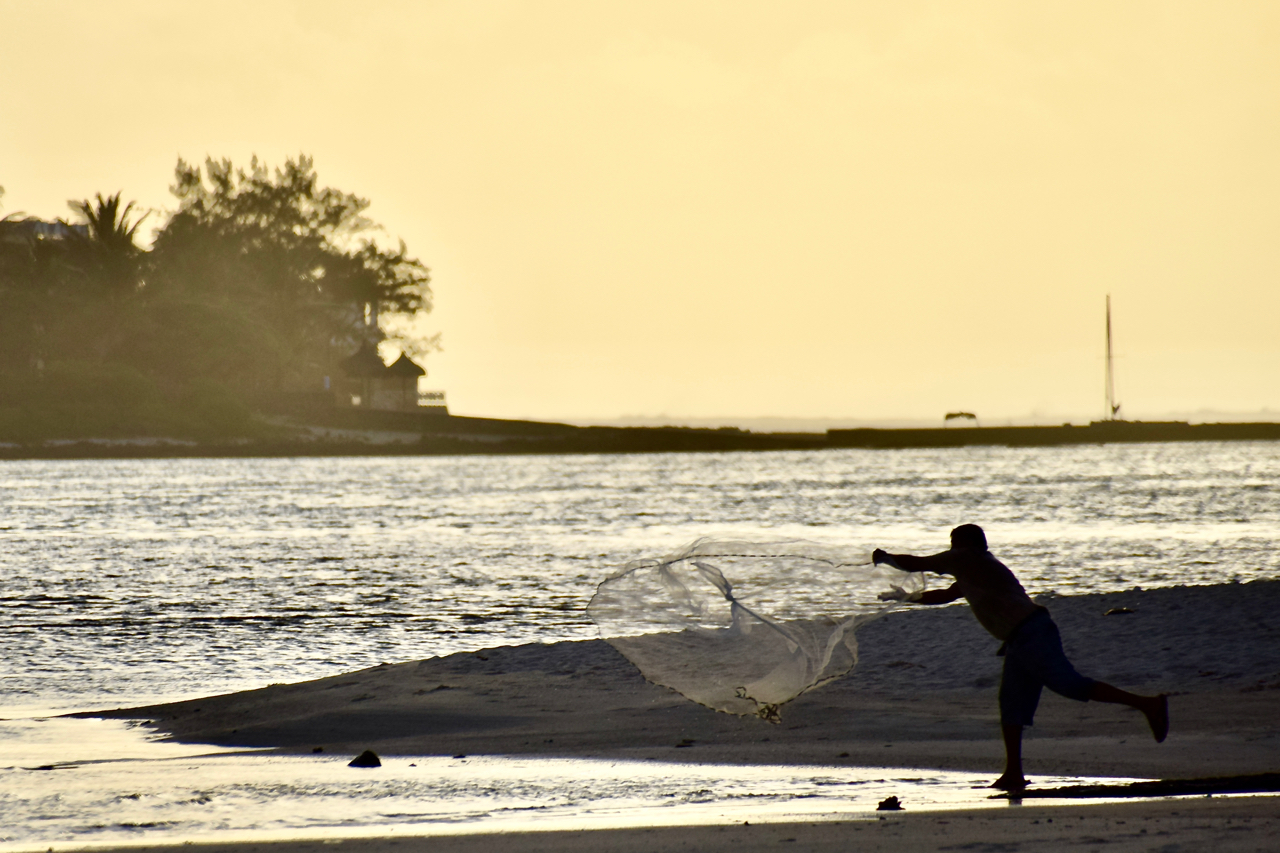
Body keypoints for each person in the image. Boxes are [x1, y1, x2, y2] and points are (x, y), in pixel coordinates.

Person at [872, 523, 1168, 790]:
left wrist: (885, 557)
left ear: (966, 544)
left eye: (953, 541)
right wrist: (906, 597)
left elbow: (918, 563)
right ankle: (1013, 772)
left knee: (1069, 684)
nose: (950, 547)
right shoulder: (974, 568)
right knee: (1011, 706)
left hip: (1032, 634)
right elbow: (945, 596)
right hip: (1020, 639)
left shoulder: (969, 559)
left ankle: (1148, 704)